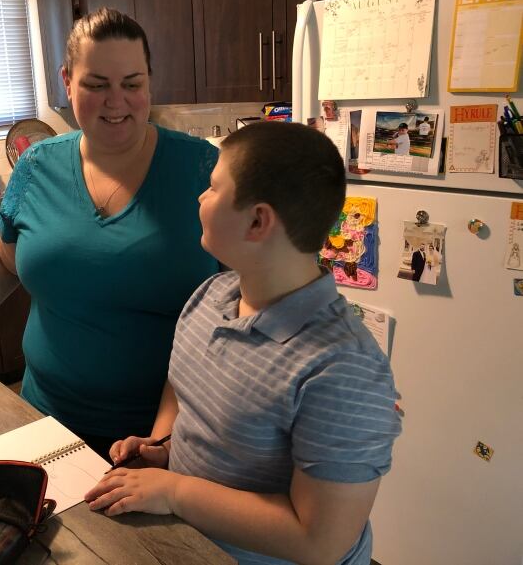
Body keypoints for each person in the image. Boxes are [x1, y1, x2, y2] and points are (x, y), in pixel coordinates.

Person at [0, 8, 220, 455]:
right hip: (45, 418)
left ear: (150, 82)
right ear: (67, 81)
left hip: (164, 437)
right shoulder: (36, 166)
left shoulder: (202, 169)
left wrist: (166, 439)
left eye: (132, 84)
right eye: (96, 84)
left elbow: (243, 298)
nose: (115, 101)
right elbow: (0, 263)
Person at [85, 121, 402, 565]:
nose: (200, 198)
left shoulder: (343, 369)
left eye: (213, 188)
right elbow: (188, 399)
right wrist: (164, 450)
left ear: (257, 221)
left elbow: (320, 542)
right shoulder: (211, 296)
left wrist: (176, 491)